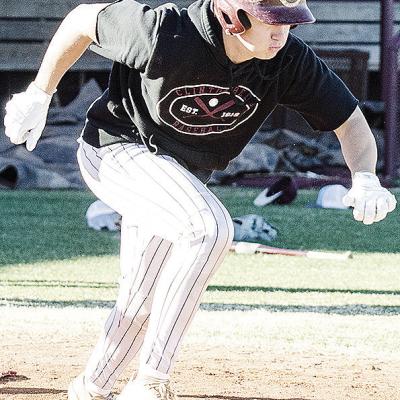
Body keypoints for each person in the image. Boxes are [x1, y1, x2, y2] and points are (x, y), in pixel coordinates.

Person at [3, 0, 397, 398]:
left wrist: (364, 177)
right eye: (272, 22)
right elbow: (82, 19)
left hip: (178, 174)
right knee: (209, 229)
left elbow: (351, 123)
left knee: (141, 297)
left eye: (290, 23)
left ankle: (91, 387)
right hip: (115, 150)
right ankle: (151, 383)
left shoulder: (288, 59)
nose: (283, 33)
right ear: (232, 16)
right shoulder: (164, 32)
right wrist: (40, 91)